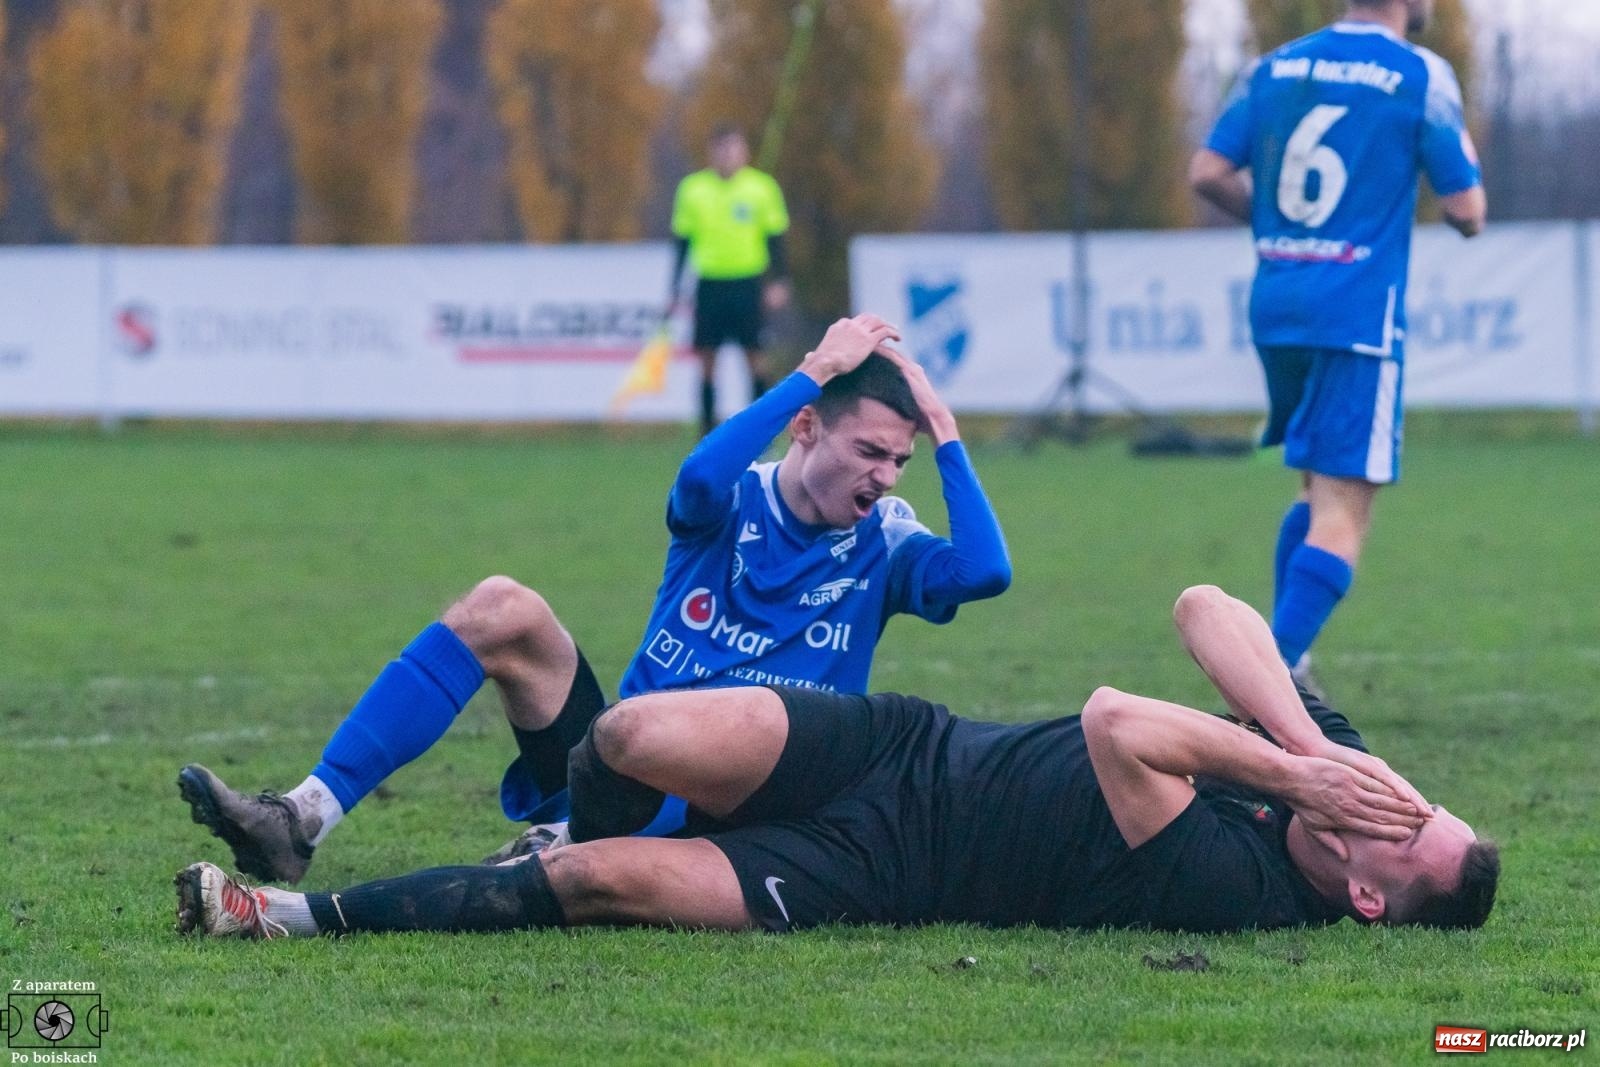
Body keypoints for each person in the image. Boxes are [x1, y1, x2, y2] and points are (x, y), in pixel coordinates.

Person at [177, 313, 1011, 885]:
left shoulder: (887, 540)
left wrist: (942, 427)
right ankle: (302, 819)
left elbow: (985, 570)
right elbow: (694, 478)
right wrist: (812, 371)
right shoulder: (730, 498)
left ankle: (572, 843)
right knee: (502, 605)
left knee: (671, 740)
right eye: (871, 450)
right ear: (804, 426)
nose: (885, 476)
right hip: (616, 762)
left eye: (897, 460)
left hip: (742, 805)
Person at [175, 585, 1499, 940]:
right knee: (626, 735)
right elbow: (1208, 606)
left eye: (1406, 828)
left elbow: (1116, 719)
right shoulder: (1340, 780)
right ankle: (538, 820)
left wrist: (1291, 775)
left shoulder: (1245, 889)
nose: (1395, 801)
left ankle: (284, 912)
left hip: (880, 863)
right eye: (1422, 798)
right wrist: (1319, 746)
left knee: (600, 884)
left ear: (1371, 893)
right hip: (902, 739)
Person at [1188, 0, 1487, 680]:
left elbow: (1206, 171)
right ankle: (1265, 680)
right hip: (1358, 314)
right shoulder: (1421, 73)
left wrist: (1268, 218)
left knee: (1315, 487)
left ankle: (1290, 660)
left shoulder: (1274, 66)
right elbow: (1466, 210)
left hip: (1278, 302)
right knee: (1344, 510)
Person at [668, 123, 792, 435]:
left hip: (748, 283)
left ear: (744, 152)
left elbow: (775, 238)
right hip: (710, 283)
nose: (727, 156)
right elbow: (683, 242)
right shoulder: (693, 189)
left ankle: (759, 431)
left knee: (756, 358)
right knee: (707, 359)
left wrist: (780, 281)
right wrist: (674, 286)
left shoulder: (761, 188)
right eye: (721, 149)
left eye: (733, 148)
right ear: (711, 153)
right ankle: (707, 432)